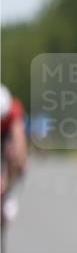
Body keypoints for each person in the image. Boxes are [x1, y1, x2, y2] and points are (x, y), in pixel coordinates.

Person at [1, 84, 29, 224]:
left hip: (7, 133)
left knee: (13, 153)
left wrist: (20, 159)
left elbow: (19, 138)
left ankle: (9, 194)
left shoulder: (14, 110)